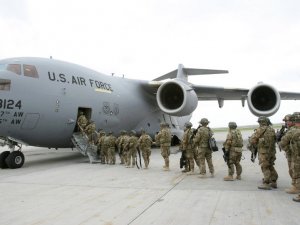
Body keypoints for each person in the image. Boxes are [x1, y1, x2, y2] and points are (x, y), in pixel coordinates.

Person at [250, 116, 278, 190]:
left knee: (265, 167)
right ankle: (274, 181)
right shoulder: (271, 129)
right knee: (270, 165)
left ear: (261, 122)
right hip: (272, 152)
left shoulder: (260, 129)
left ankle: (266, 183)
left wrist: (253, 141)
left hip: (264, 152)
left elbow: (253, 140)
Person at [280, 112, 300, 197]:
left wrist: (289, 150)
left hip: (295, 156)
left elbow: (282, 143)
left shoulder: (292, 130)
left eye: (289, 121)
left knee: (295, 171)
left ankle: (296, 187)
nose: (287, 123)